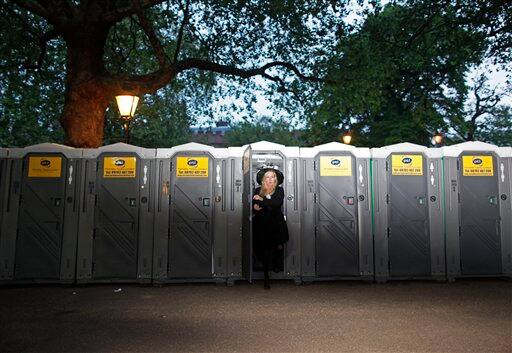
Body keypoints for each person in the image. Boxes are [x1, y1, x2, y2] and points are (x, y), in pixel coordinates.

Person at [252, 167, 289, 289]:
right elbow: (254, 206)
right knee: (262, 250)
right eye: (267, 177)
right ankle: (266, 275)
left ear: (276, 179)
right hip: (261, 226)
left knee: (276, 248)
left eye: (273, 177)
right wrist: (256, 207)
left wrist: (262, 200)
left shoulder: (279, 190)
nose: (270, 179)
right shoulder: (257, 190)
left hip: (276, 226)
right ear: (263, 179)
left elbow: (276, 204)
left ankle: (275, 265)